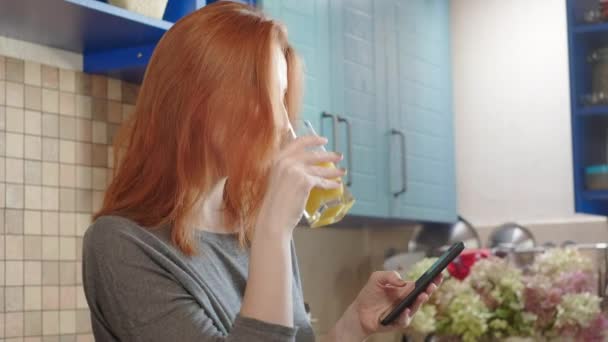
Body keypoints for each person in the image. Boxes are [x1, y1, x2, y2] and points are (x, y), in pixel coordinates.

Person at [82, 2, 441, 341]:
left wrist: (351, 326)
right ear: (198, 103)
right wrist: (274, 230)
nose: (286, 127)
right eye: (267, 99)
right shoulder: (120, 243)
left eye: (283, 100)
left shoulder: (253, 227)